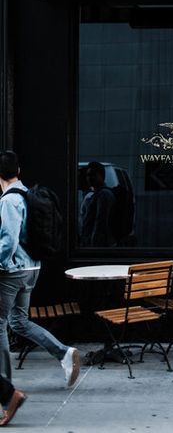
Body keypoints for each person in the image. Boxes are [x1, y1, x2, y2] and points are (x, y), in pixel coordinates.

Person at [0, 150, 80, 389]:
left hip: (12, 272)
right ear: (19, 172)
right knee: (19, 322)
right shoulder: (27, 194)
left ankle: (5, 389)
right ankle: (64, 353)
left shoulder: (8, 201)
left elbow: (8, 241)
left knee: (0, 323)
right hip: (32, 268)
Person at [79, 161, 116, 247]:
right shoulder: (95, 194)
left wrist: (94, 244)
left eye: (93, 175)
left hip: (100, 244)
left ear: (102, 176)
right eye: (88, 175)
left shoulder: (104, 194)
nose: (89, 178)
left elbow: (100, 222)